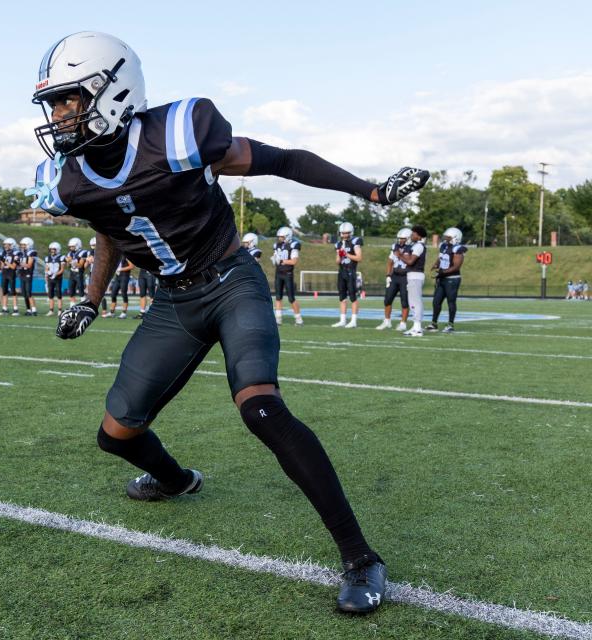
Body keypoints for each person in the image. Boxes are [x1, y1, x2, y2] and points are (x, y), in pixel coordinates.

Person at [26, 32, 429, 613]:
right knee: (116, 433)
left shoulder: (179, 130)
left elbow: (281, 160)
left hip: (231, 280)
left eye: (69, 99)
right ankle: (174, 479)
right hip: (172, 304)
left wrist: (369, 189)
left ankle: (360, 556)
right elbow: (109, 232)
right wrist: (91, 301)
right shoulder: (69, 179)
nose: (59, 115)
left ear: (112, 89)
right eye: (53, 104)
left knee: (260, 407)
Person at [427, 227, 466, 333]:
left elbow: (456, 267)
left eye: (448, 237)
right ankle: (434, 323)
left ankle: (450, 324)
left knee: (451, 302)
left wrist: (442, 272)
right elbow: (441, 257)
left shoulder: (458, 249)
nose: (446, 239)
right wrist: (436, 265)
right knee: (436, 301)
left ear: (455, 238)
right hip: (442, 278)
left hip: (452, 279)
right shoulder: (444, 246)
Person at [394, 225, 428, 336]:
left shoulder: (418, 246)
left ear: (418, 236)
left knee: (415, 302)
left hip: (416, 275)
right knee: (413, 302)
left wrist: (399, 255)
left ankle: (417, 328)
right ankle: (415, 326)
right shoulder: (415, 245)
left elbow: (410, 262)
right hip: (412, 275)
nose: (411, 236)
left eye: (413, 234)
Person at [376, 227, 411, 330]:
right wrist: (388, 275)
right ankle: (387, 321)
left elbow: (411, 261)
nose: (400, 240)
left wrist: (400, 255)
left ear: (408, 238)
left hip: (406, 276)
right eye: (399, 238)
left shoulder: (412, 248)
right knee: (387, 299)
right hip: (395, 276)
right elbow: (390, 261)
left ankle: (403, 323)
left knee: (404, 301)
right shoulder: (395, 246)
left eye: (403, 238)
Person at [331, 222, 362, 328]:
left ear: (351, 232)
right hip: (342, 271)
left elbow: (359, 258)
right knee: (342, 297)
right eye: (343, 233)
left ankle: (353, 321)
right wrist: (340, 255)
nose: (344, 235)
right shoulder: (339, 244)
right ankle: (342, 320)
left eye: (346, 233)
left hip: (351, 271)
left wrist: (347, 254)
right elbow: (337, 261)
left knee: (353, 296)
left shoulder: (355, 242)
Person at [271, 227, 303, 326]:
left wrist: (281, 261)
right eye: (279, 237)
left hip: (288, 274)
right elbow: (275, 257)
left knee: (291, 298)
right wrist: (274, 259)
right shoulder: (277, 245)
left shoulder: (293, 245)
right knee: (278, 297)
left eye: (282, 237)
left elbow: (294, 261)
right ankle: (278, 319)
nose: (280, 239)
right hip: (279, 273)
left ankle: (299, 319)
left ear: (287, 237)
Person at [17, 237, 37, 316]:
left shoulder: (31, 253)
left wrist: (19, 263)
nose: (22, 246)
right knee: (24, 293)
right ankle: (28, 309)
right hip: (22, 274)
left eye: (24, 245)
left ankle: (34, 309)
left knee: (29, 293)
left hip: (28, 274)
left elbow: (29, 265)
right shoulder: (21, 254)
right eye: (22, 245)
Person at [0, 237, 19, 315]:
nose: (6, 246)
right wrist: (2, 263)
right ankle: (4, 308)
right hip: (4, 273)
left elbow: (13, 267)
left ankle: (15, 309)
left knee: (13, 292)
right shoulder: (3, 253)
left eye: (8, 245)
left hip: (11, 273)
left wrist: (4, 261)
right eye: (5, 245)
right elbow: (2, 266)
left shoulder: (16, 253)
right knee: (4, 292)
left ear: (12, 245)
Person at [44, 241, 64, 316]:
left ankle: (59, 310)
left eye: (54, 249)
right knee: (50, 295)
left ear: (57, 249)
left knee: (59, 294)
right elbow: (46, 268)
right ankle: (51, 310)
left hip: (58, 278)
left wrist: (55, 274)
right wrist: (47, 273)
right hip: (50, 278)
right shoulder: (47, 258)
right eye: (51, 249)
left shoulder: (61, 257)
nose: (52, 251)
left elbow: (62, 269)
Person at [65, 237, 85, 304]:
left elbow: (80, 265)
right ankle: (72, 306)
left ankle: (83, 304)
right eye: (70, 247)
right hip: (72, 273)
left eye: (72, 246)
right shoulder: (69, 253)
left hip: (79, 273)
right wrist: (67, 262)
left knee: (81, 291)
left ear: (77, 246)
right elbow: (68, 266)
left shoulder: (82, 253)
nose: (71, 248)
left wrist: (71, 260)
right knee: (71, 291)